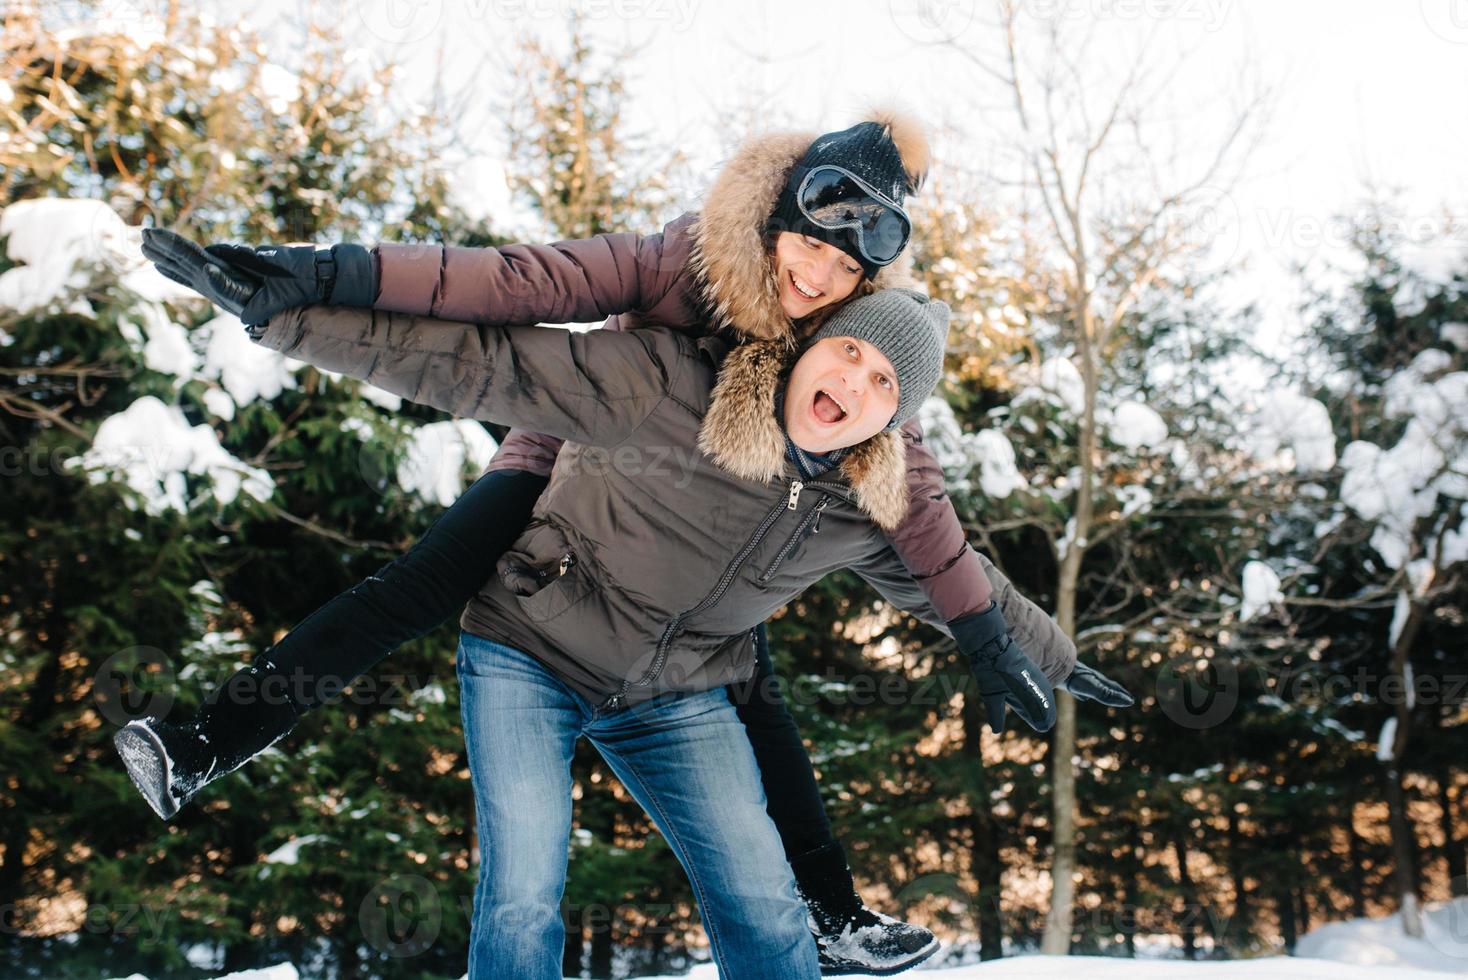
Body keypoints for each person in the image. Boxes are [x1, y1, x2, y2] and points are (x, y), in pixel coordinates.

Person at [125, 111, 1133, 974]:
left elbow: (933, 541)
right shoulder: (679, 263)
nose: (815, 273)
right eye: (810, 243)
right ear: (777, 212)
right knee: (428, 579)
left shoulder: (855, 379)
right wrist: (315, 281)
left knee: (747, 673)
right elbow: (509, 292)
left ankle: (825, 912)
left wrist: (1031, 648)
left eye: (844, 268)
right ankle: (210, 735)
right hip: (581, 426)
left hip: (706, 549)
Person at [251, 285, 1064, 980]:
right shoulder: (681, 385)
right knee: (523, 892)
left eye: (884, 383)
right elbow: (497, 357)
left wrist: (1057, 659)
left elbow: (956, 576)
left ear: (893, 421)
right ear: (810, 341)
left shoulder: (862, 504)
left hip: (677, 691)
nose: (855, 381)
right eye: (849, 350)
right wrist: (303, 311)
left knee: (761, 893)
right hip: (529, 648)